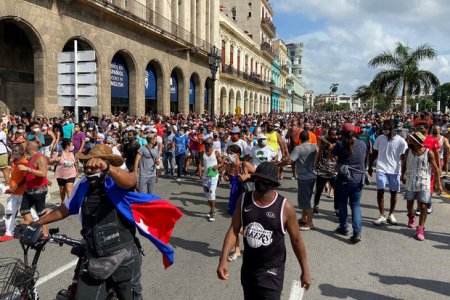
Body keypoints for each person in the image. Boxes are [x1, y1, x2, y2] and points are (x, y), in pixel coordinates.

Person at [28, 144, 143, 299]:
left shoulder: (117, 180)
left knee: (129, 296)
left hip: (123, 256)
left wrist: (107, 167)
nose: (88, 170)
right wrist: (38, 222)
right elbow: (64, 210)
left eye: (93, 167)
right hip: (93, 255)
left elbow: (130, 180)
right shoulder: (83, 185)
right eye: (86, 166)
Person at [217, 162, 311, 300]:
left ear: (272, 183)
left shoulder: (285, 207)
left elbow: (296, 240)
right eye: (257, 179)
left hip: (272, 269)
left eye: (264, 180)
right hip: (249, 267)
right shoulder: (244, 200)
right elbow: (233, 229)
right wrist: (223, 259)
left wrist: (305, 271)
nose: (259, 182)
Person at [401, 132, 442, 241]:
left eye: (411, 140)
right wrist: (402, 174)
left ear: (416, 142)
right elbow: (404, 164)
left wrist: (439, 184)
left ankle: (420, 229)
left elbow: (435, 170)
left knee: (423, 206)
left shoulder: (429, 153)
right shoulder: (408, 151)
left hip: (424, 182)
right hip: (410, 181)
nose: (408, 141)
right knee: (410, 204)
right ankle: (411, 216)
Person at [369, 119, 408, 226]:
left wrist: (404, 174)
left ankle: (391, 214)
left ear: (392, 128)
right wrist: (369, 167)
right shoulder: (380, 138)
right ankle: (382, 215)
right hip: (381, 168)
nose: (384, 131)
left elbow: (404, 159)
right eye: (383, 129)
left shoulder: (401, 142)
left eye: (386, 129)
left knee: (393, 193)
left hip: (395, 170)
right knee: (380, 191)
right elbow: (374, 153)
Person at [332, 123, 366, 244]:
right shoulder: (362, 144)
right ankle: (357, 232)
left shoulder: (340, 144)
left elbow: (332, 155)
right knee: (355, 205)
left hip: (344, 179)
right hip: (358, 179)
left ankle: (344, 227)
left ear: (342, 133)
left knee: (342, 203)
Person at [281, 131, 318, 231]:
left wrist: (279, 164)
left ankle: (310, 223)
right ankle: (303, 218)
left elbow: (289, 161)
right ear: (309, 137)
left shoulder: (298, 148)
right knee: (307, 198)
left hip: (304, 178)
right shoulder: (315, 146)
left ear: (299, 138)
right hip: (313, 176)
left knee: (305, 201)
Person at [18, 141, 49, 236]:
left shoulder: (40, 157)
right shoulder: (31, 158)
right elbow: (29, 175)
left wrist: (27, 169)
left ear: (28, 147)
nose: (23, 148)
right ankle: (32, 230)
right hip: (29, 189)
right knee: (24, 210)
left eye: (25, 145)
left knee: (41, 214)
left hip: (38, 190)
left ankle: (45, 234)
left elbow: (43, 173)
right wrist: (16, 186)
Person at [0, 144, 28, 242]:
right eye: (13, 150)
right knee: (9, 212)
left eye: (16, 151)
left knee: (30, 214)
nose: (13, 152)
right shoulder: (13, 162)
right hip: (14, 193)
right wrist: (8, 185)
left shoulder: (24, 162)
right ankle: (9, 233)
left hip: (23, 193)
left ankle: (39, 229)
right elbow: (14, 176)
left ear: (21, 152)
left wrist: (15, 186)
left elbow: (26, 178)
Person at [313, 128, 339, 215]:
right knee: (319, 190)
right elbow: (319, 137)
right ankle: (316, 206)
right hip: (322, 169)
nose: (333, 136)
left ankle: (337, 209)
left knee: (337, 191)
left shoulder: (339, 142)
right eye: (331, 134)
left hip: (334, 171)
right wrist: (316, 164)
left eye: (335, 134)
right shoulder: (324, 142)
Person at [198, 137, 222, 222]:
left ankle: (212, 212)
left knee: (211, 192)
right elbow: (200, 163)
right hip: (205, 176)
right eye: (207, 144)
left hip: (214, 176)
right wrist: (200, 171)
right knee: (207, 194)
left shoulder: (215, 152)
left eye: (211, 144)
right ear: (204, 144)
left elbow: (222, 162)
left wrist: (218, 166)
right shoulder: (202, 153)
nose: (209, 145)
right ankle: (212, 209)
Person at [50, 138, 77, 204]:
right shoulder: (59, 153)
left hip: (71, 175)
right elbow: (50, 162)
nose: (72, 146)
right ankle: (62, 203)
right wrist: (56, 160)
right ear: (67, 146)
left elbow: (75, 163)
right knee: (62, 190)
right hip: (61, 175)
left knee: (69, 190)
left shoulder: (73, 154)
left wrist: (76, 171)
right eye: (71, 145)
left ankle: (69, 205)